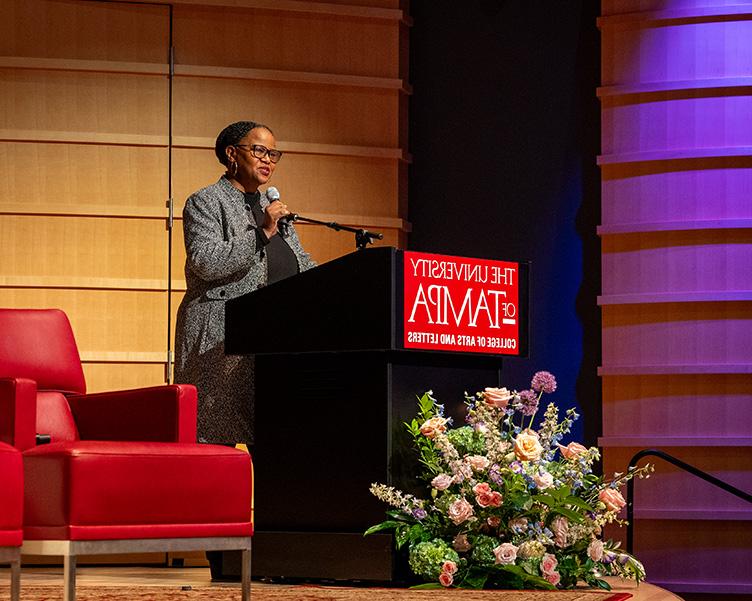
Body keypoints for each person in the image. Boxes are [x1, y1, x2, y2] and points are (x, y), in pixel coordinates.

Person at [174, 120, 316, 447]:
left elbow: (301, 262)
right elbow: (206, 262)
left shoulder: (273, 209)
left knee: (273, 442)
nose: (268, 160)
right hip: (221, 341)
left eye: (274, 154)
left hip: (273, 341)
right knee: (216, 440)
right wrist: (262, 232)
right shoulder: (205, 202)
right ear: (231, 153)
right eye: (259, 150)